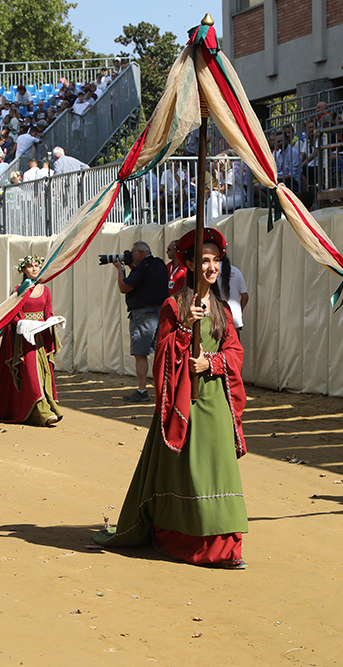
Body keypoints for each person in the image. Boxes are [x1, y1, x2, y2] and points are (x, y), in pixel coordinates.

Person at [93, 227, 248, 568]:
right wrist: (182, 328)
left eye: (216, 260)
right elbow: (161, 354)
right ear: (190, 264)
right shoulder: (173, 305)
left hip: (215, 398)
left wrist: (212, 361)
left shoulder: (221, 309)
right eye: (204, 260)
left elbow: (235, 352)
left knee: (218, 470)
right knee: (189, 471)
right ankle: (184, 537)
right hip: (184, 399)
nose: (211, 267)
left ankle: (225, 545)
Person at [0, 255, 63, 426]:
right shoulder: (19, 289)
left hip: (39, 339)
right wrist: (22, 324)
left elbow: (48, 312)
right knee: (31, 374)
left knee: (43, 373)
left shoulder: (45, 290)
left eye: (37, 265)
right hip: (24, 340)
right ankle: (44, 412)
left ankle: (44, 409)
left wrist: (52, 321)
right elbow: (13, 314)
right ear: (23, 270)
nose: (34, 269)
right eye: (30, 266)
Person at [114, 240, 169, 403]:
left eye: (132, 253)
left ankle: (142, 390)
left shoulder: (143, 267)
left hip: (143, 314)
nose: (129, 256)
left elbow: (124, 287)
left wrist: (120, 270)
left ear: (139, 252)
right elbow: (143, 280)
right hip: (160, 312)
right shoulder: (159, 264)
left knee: (140, 353)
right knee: (162, 352)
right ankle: (165, 388)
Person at [214, 256, 249, 339]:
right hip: (234, 319)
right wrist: (239, 311)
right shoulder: (236, 272)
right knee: (235, 349)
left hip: (217, 319)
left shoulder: (212, 272)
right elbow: (245, 297)